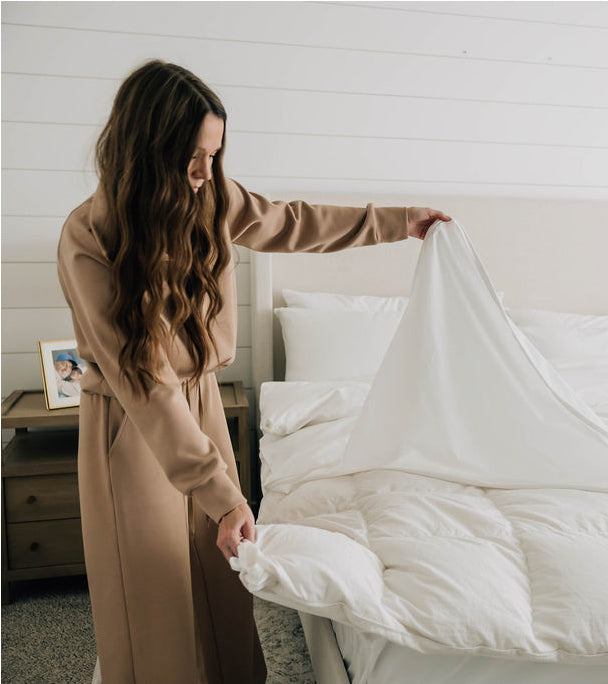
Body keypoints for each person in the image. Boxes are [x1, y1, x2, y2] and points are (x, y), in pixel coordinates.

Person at [56, 60, 450, 684]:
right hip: (133, 423)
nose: (204, 171)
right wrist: (222, 491)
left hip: (202, 402)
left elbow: (293, 222)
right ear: (145, 147)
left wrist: (397, 222)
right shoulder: (89, 237)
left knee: (217, 582)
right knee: (153, 600)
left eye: (213, 155)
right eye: (191, 155)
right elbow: (147, 384)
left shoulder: (211, 199)